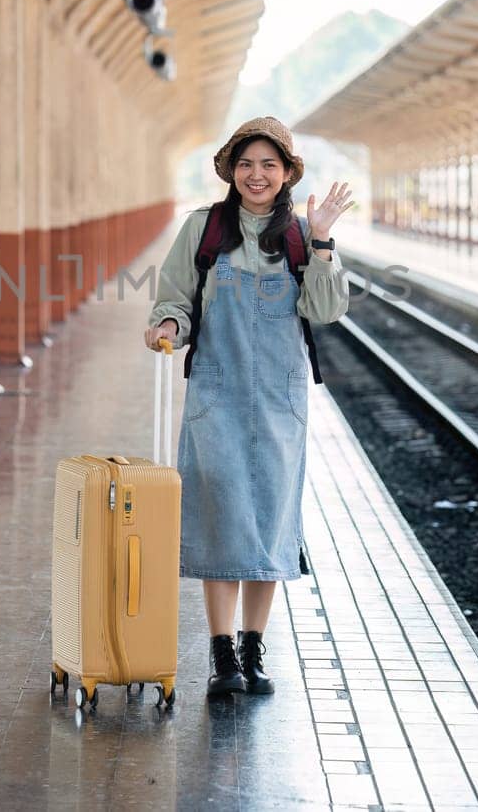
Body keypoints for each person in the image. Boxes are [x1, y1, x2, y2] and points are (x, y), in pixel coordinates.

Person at [143, 116, 353, 698]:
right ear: (231, 171)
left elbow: (326, 310)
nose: (255, 174)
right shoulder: (203, 229)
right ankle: (221, 654)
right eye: (245, 164)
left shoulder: (302, 237)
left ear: (286, 174)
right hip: (216, 394)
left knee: (269, 522)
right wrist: (167, 324)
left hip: (280, 403)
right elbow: (174, 298)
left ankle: (254, 648)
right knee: (222, 519)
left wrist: (325, 238)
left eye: (268, 165)